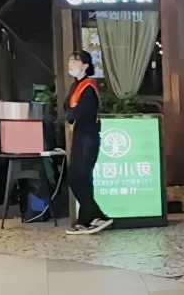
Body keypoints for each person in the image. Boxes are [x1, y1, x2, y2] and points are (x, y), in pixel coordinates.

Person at [65, 51, 113, 235]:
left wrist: (71, 113)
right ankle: (94, 217)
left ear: (85, 66)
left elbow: (75, 113)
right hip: (79, 135)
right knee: (77, 177)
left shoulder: (88, 87)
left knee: (80, 177)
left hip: (88, 136)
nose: (71, 63)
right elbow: (68, 112)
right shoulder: (76, 86)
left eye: (75, 61)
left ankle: (88, 219)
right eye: (70, 60)